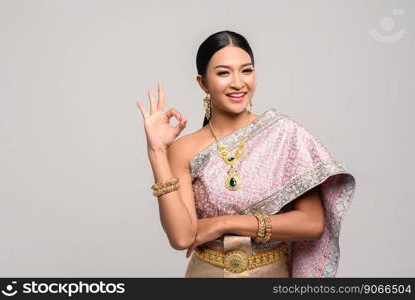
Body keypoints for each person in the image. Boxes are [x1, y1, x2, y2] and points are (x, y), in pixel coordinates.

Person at [136, 30, 356, 278]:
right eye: (223, 73)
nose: (238, 82)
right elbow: (182, 236)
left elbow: (312, 223)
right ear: (203, 83)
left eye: (247, 70)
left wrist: (224, 223)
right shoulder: (183, 149)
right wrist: (156, 150)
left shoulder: (286, 135)